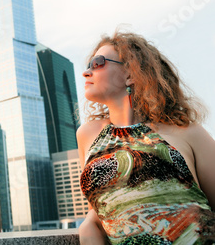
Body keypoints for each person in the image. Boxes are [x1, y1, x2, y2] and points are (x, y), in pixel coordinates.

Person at [76, 30, 215, 244]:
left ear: (130, 74)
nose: (86, 72)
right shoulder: (87, 135)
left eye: (98, 63)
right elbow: (103, 208)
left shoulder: (186, 130)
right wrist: (87, 226)